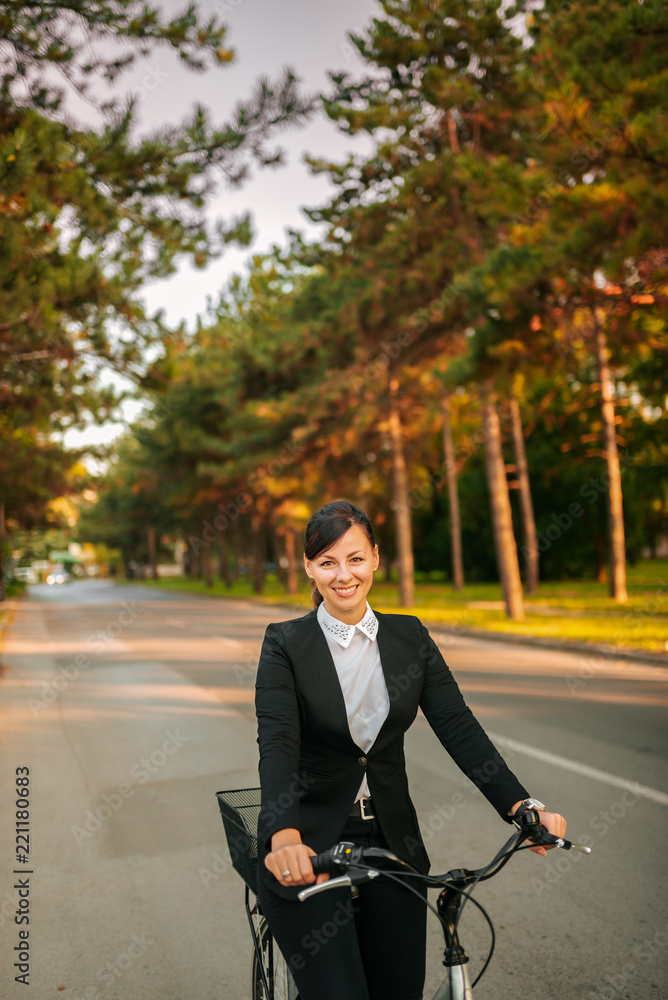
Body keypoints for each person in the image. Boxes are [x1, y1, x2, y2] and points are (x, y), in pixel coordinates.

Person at [255, 500, 566, 1000]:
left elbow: (459, 729)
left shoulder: (410, 636)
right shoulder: (286, 644)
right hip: (308, 842)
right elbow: (277, 745)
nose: (343, 576)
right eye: (328, 562)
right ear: (309, 567)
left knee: (400, 990)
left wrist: (523, 807)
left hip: (391, 839)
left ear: (376, 558)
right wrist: (284, 837)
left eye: (355, 559)